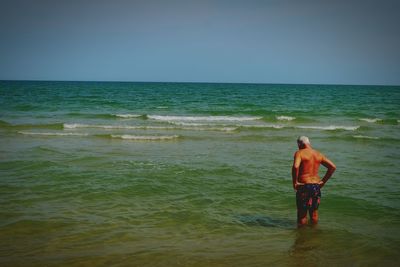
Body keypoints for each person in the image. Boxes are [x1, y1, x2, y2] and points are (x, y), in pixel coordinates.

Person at [292, 136, 336, 227]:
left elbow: (296, 167)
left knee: (302, 214)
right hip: (316, 186)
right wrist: (323, 181)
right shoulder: (318, 154)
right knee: (314, 213)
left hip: (304, 186)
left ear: (300, 144)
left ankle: (302, 237)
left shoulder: (299, 153)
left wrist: (295, 182)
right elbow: (332, 167)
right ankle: (314, 234)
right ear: (309, 143)